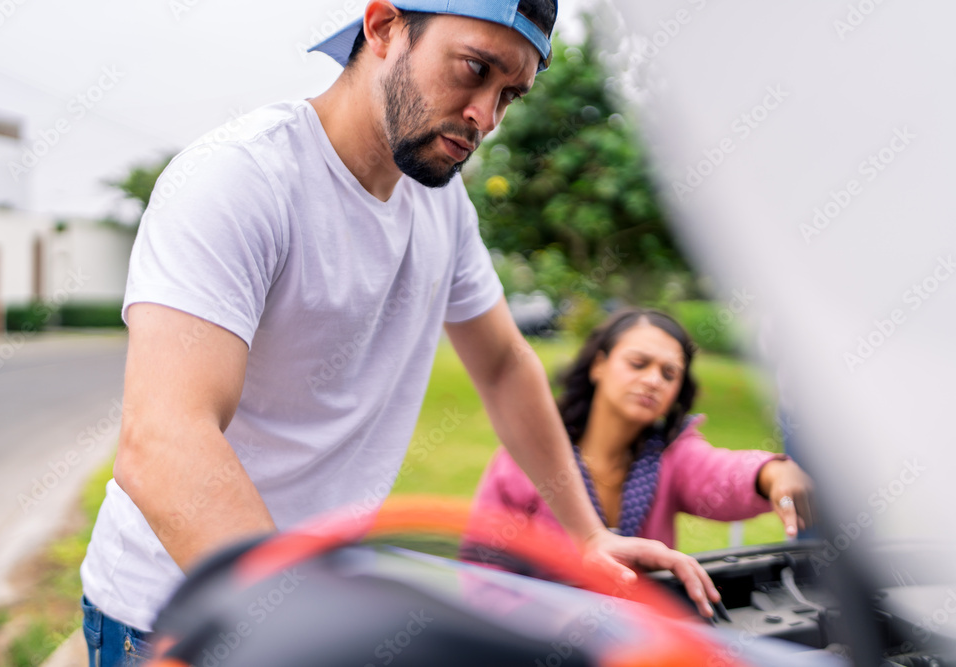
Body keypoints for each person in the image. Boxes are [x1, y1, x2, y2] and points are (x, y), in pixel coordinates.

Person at [78, 3, 722, 665]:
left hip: (314, 608)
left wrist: (587, 535)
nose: (486, 117)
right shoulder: (239, 179)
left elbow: (503, 364)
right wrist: (294, 619)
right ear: (384, 26)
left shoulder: (441, 202)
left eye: (510, 94)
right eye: (474, 69)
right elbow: (164, 442)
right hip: (183, 620)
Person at [461, 308, 814, 570]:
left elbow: (722, 472)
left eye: (669, 373)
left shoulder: (670, 456)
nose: (653, 381)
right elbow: (485, 573)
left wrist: (774, 474)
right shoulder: (526, 457)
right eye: (638, 363)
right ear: (599, 365)